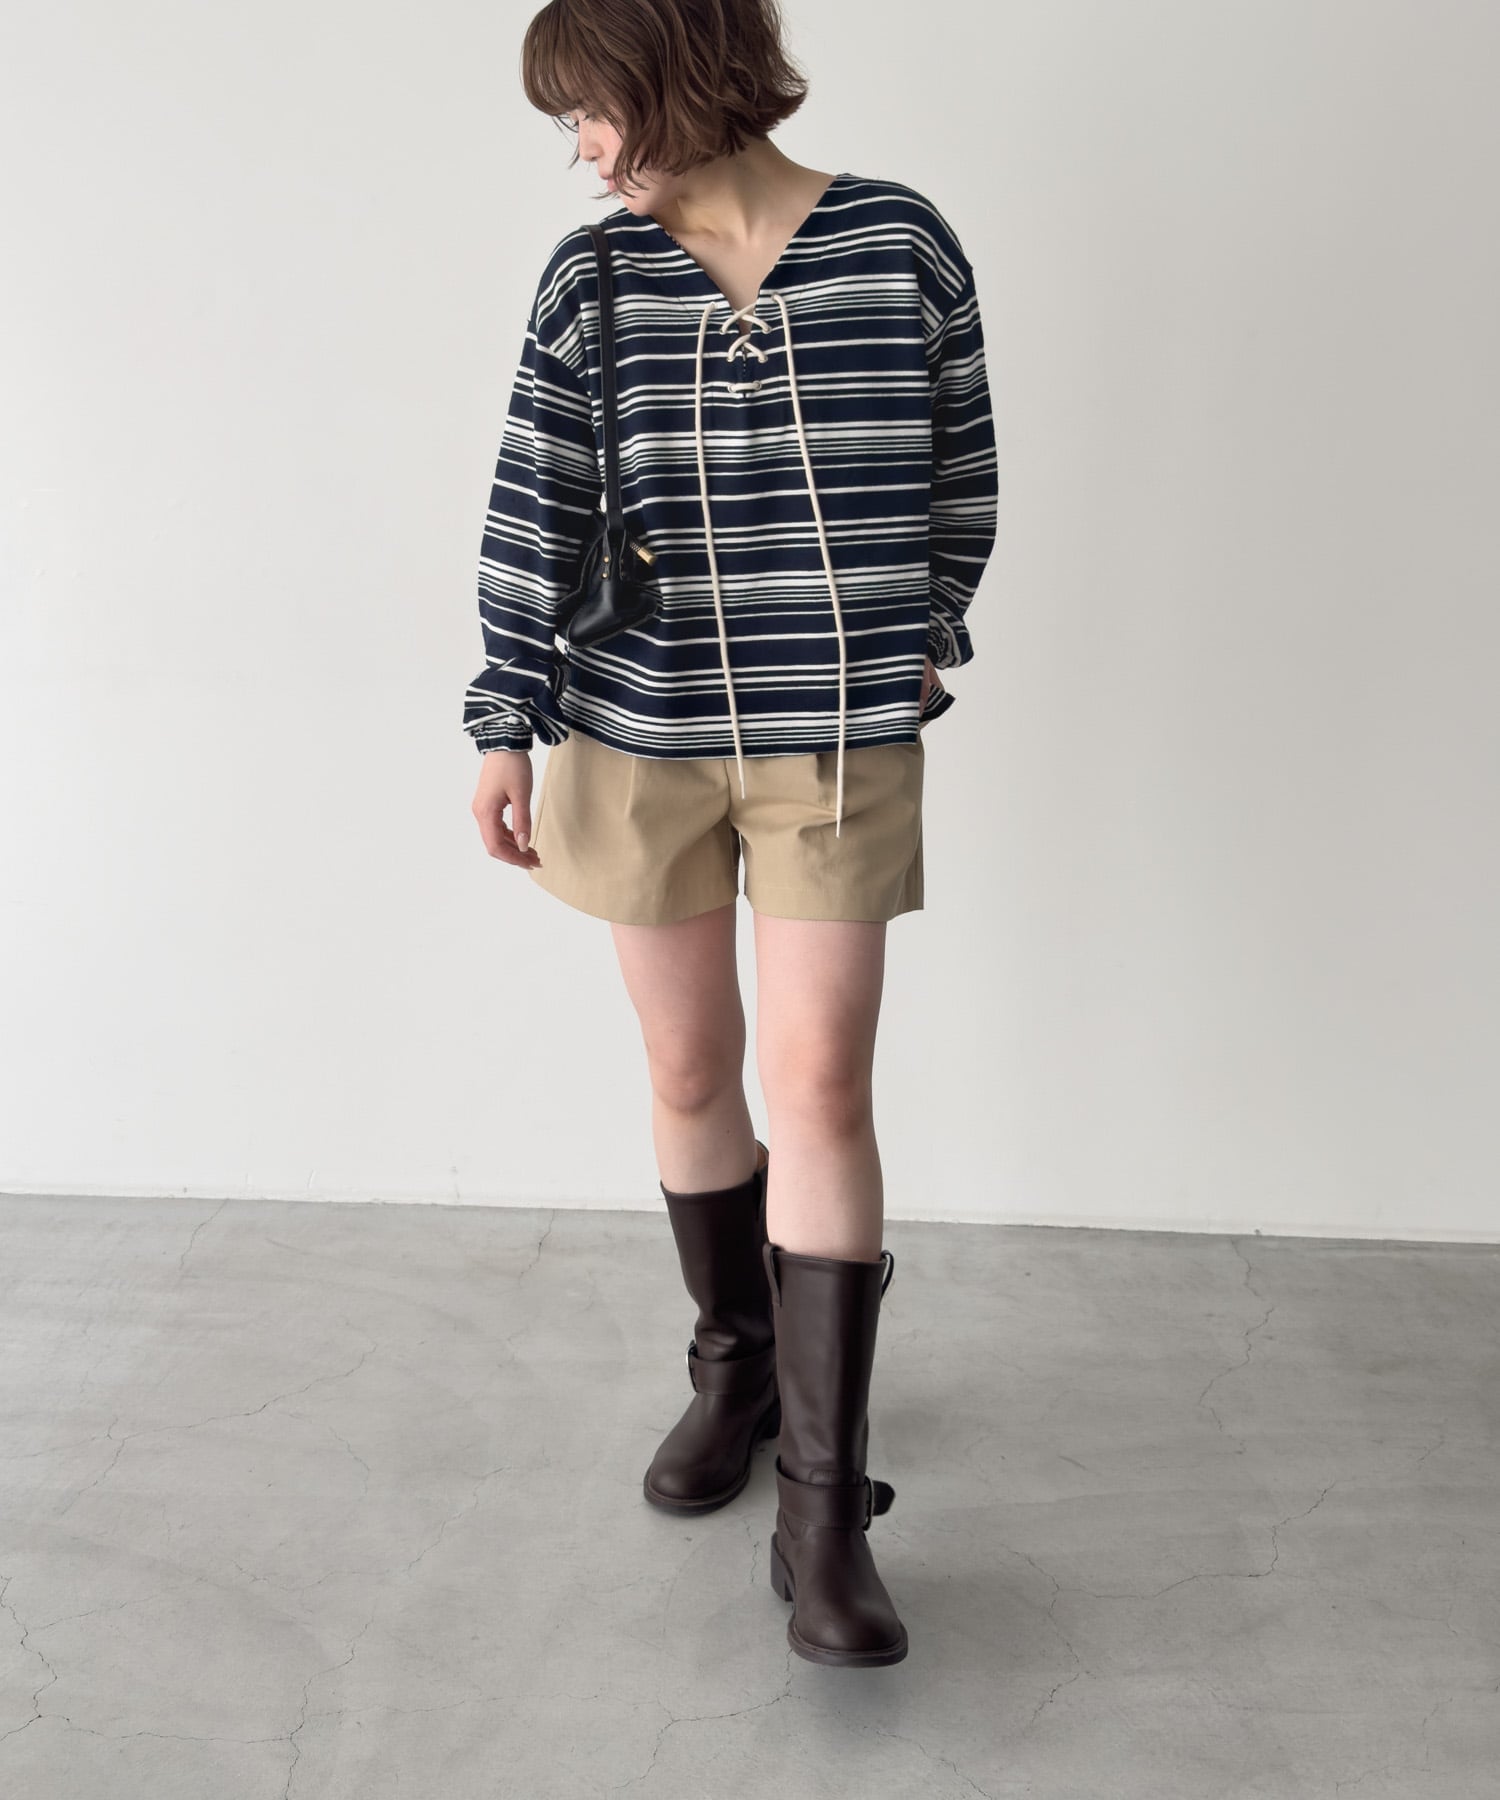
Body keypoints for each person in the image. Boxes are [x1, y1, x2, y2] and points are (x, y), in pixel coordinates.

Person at [464, 0, 997, 1669]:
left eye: (590, 114)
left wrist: (932, 627)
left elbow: (961, 461)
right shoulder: (595, 281)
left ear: (670, 79)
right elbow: (534, 497)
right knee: (692, 1068)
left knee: (821, 1082)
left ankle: (824, 1520)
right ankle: (738, 1368)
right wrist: (504, 714)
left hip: (837, 738)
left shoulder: (898, 242)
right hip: (639, 731)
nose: (582, 154)